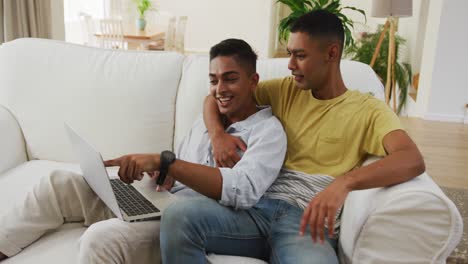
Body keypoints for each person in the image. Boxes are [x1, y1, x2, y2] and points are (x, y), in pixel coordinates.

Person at [161, 9, 425, 263]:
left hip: (306, 223)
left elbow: (411, 159)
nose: (290, 65)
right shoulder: (286, 90)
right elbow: (215, 97)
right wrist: (217, 135)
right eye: (290, 54)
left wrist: (344, 182)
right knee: (179, 216)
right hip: (253, 210)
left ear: (331, 53)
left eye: (300, 55)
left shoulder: (368, 110)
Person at [0, 39, 287, 263]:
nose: (219, 88)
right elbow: (182, 163)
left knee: (100, 239)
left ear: (253, 81)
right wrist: (162, 171)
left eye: (230, 78)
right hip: (160, 199)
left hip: (188, 221)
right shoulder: (209, 122)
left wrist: (168, 163)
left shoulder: (268, 133)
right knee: (58, 183)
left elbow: (242, 191)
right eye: (213, 80)